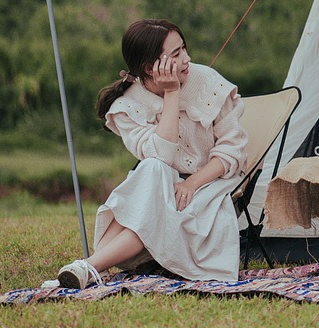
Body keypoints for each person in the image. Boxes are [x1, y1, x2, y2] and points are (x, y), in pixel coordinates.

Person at [55, 19, 248, 289]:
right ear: (150, 68)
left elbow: (233, 150)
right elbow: (162, 156)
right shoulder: (127, 107)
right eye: (177, 54)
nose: (187, 59)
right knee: (153, 168)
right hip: (160, 183)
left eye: (184, 49)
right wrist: (172, 93)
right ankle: (88, 267)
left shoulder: (207, 82)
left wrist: (192, 182)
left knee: (152, 192)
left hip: (209, 182)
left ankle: (88, 265)